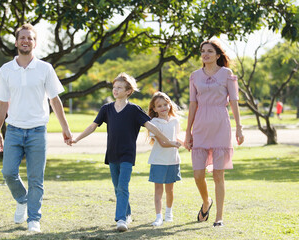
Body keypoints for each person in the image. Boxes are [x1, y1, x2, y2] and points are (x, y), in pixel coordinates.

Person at [71, 73, 180, 232]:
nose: (115, 90)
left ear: (128, 91)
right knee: (117, 188)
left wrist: (169, 141)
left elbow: (152, 127)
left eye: (119, 88)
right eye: (114, 87)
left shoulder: (134, 110)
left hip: (127, 155)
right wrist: (76, 139)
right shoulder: (106, 109)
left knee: (123, 186)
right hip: (112, 154)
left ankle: (121, 220)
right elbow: (93, 126)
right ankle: (127, 213)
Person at [0, 23, 72, 233]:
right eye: (22, 38)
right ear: (16, 41)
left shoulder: (45, 68)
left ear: (35, 43)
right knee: (8, 172)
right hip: (14, 130)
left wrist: (65, 127)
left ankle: (34, 219)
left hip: (38, 130)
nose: (26, 41)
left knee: (36, 178)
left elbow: (55, 100)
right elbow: (2, 103)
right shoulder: (6, 70)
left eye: (30, 38)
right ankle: (22, 200)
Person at [184, 40, 244, 227]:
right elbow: (193, 105)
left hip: (221, 124)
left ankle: (219, 217)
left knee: (218, 175)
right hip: (201, 124)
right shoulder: (194, 76)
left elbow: (234, 101)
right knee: (197, 174)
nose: (205, 54)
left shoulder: (227, 74)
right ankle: (205, 201)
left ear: (218, 55)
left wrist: (239, 127)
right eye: (203, 51)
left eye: (209, 51)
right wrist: (188, 132)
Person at [147, 92, 184, 226]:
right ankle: (158, 217)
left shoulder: (175, 121)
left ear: (169, 104)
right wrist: (174, 143)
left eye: (165, 104)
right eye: (159, 106)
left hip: (173, 160)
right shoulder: (153, 123)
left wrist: (187, 143)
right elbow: (163, 143)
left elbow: (178, 137)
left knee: (170, 190)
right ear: (154, 109)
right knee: (158, 190)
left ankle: (169, 213)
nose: (163, 108)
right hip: (158, 161)